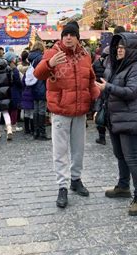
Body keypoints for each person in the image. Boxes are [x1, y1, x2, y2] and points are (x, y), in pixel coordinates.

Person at [34, 21, 100, 208]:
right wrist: (49, 64)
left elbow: (91, 79)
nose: (68, 38)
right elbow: (38, 74)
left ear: (78, 37)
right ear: (62, 37)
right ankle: (62, 186)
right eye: (66, 35)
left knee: (78, 149)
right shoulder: (53, 53)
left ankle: (76, 180)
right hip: (61, 111)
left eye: (72, 34)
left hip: (80, 111)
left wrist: (96, 96)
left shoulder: (85, 56)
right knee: (60, 151)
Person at [95, 33, 137, 216]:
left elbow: (131, 92)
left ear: (131, 50)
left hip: (131, 118)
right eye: (117, 46)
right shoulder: (116, 67)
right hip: (115, 118)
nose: (118, 49)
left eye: (123, 47)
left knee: (132, 158)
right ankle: (123, 186)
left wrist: (107, 87)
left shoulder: (136, 68)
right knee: (120, 155)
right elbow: (107, 89)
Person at [28, 41, 50, 141]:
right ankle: (42, 132)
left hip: (34, 86)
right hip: (42, 85)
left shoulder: (31, 58)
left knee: (36, 109)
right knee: (42, 110)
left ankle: (36, 132)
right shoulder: (41, 58)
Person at [92, 46, 109, 145]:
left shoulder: (96, 63)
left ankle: (102, 137)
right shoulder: (114, 63)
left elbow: (92, 75)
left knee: (100, 113)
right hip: (109, 90)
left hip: (99, 89)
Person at [5, 52, 23, 132]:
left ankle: (8, 126)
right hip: (15, 91)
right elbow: (18, 81)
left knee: (8, 109)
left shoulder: (5, 68)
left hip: (6, 91)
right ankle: (14, 126)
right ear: (12, 60)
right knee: (14, 109)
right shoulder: (14, 69)